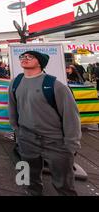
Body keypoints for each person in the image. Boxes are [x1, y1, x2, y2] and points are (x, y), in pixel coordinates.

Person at [8, 51, 81, 196]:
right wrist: (18, 132)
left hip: (56, 143)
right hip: (27, 140)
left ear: (40, 62)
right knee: (29, 181)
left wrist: (71, 144)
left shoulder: (55, 85)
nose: (25, 59)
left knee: (64, 185)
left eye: (30, 57)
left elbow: (71, 116)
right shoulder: (15, 83)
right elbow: (12, 108)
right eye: (23, 57)